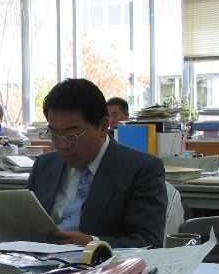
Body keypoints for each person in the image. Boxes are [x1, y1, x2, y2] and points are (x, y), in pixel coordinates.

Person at [27, 78, 166, 248]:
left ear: (103, 126)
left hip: (102, 268)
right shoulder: (44, 165)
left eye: (72, 135)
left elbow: (149, 243)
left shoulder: (141, 169)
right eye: (54, 134)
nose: (62, 144)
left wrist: (93, 244)